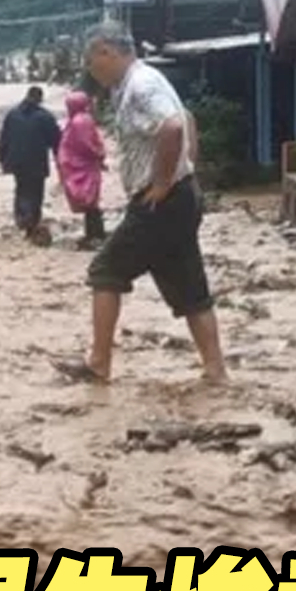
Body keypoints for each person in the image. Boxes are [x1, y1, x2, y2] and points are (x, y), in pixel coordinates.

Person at [56, 26, 226, 386]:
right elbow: (188, 120)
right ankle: (216, 370)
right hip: (178, 196)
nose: (92, 71)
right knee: (190, 289)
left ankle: (99, 364)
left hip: (160, 201)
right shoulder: (143, 81)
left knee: (105, 271)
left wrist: (165, 181)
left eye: (92, 62)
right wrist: (186, 170)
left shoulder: (141, 84)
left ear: (107, 52)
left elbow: (173, 126)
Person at [0, 86, 62, 239]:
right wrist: (62, 160)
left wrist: (3, 159)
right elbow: (56, 141)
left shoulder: (12, 115)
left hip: (17, 162)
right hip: (36, 161)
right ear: (39, 99)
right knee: (35, 193)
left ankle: (22, 219)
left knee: (21, 189)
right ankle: (31, 225)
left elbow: (3, 140)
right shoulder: (45, 117)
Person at [57, 90, 108, 250]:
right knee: (90, 201)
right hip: (81, 165)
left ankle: (95, 236)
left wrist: (98, 155)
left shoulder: (79, 122)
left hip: (81, 167)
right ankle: (94, 235)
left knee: (89, 201)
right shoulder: (81, 120)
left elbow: (87, 145)